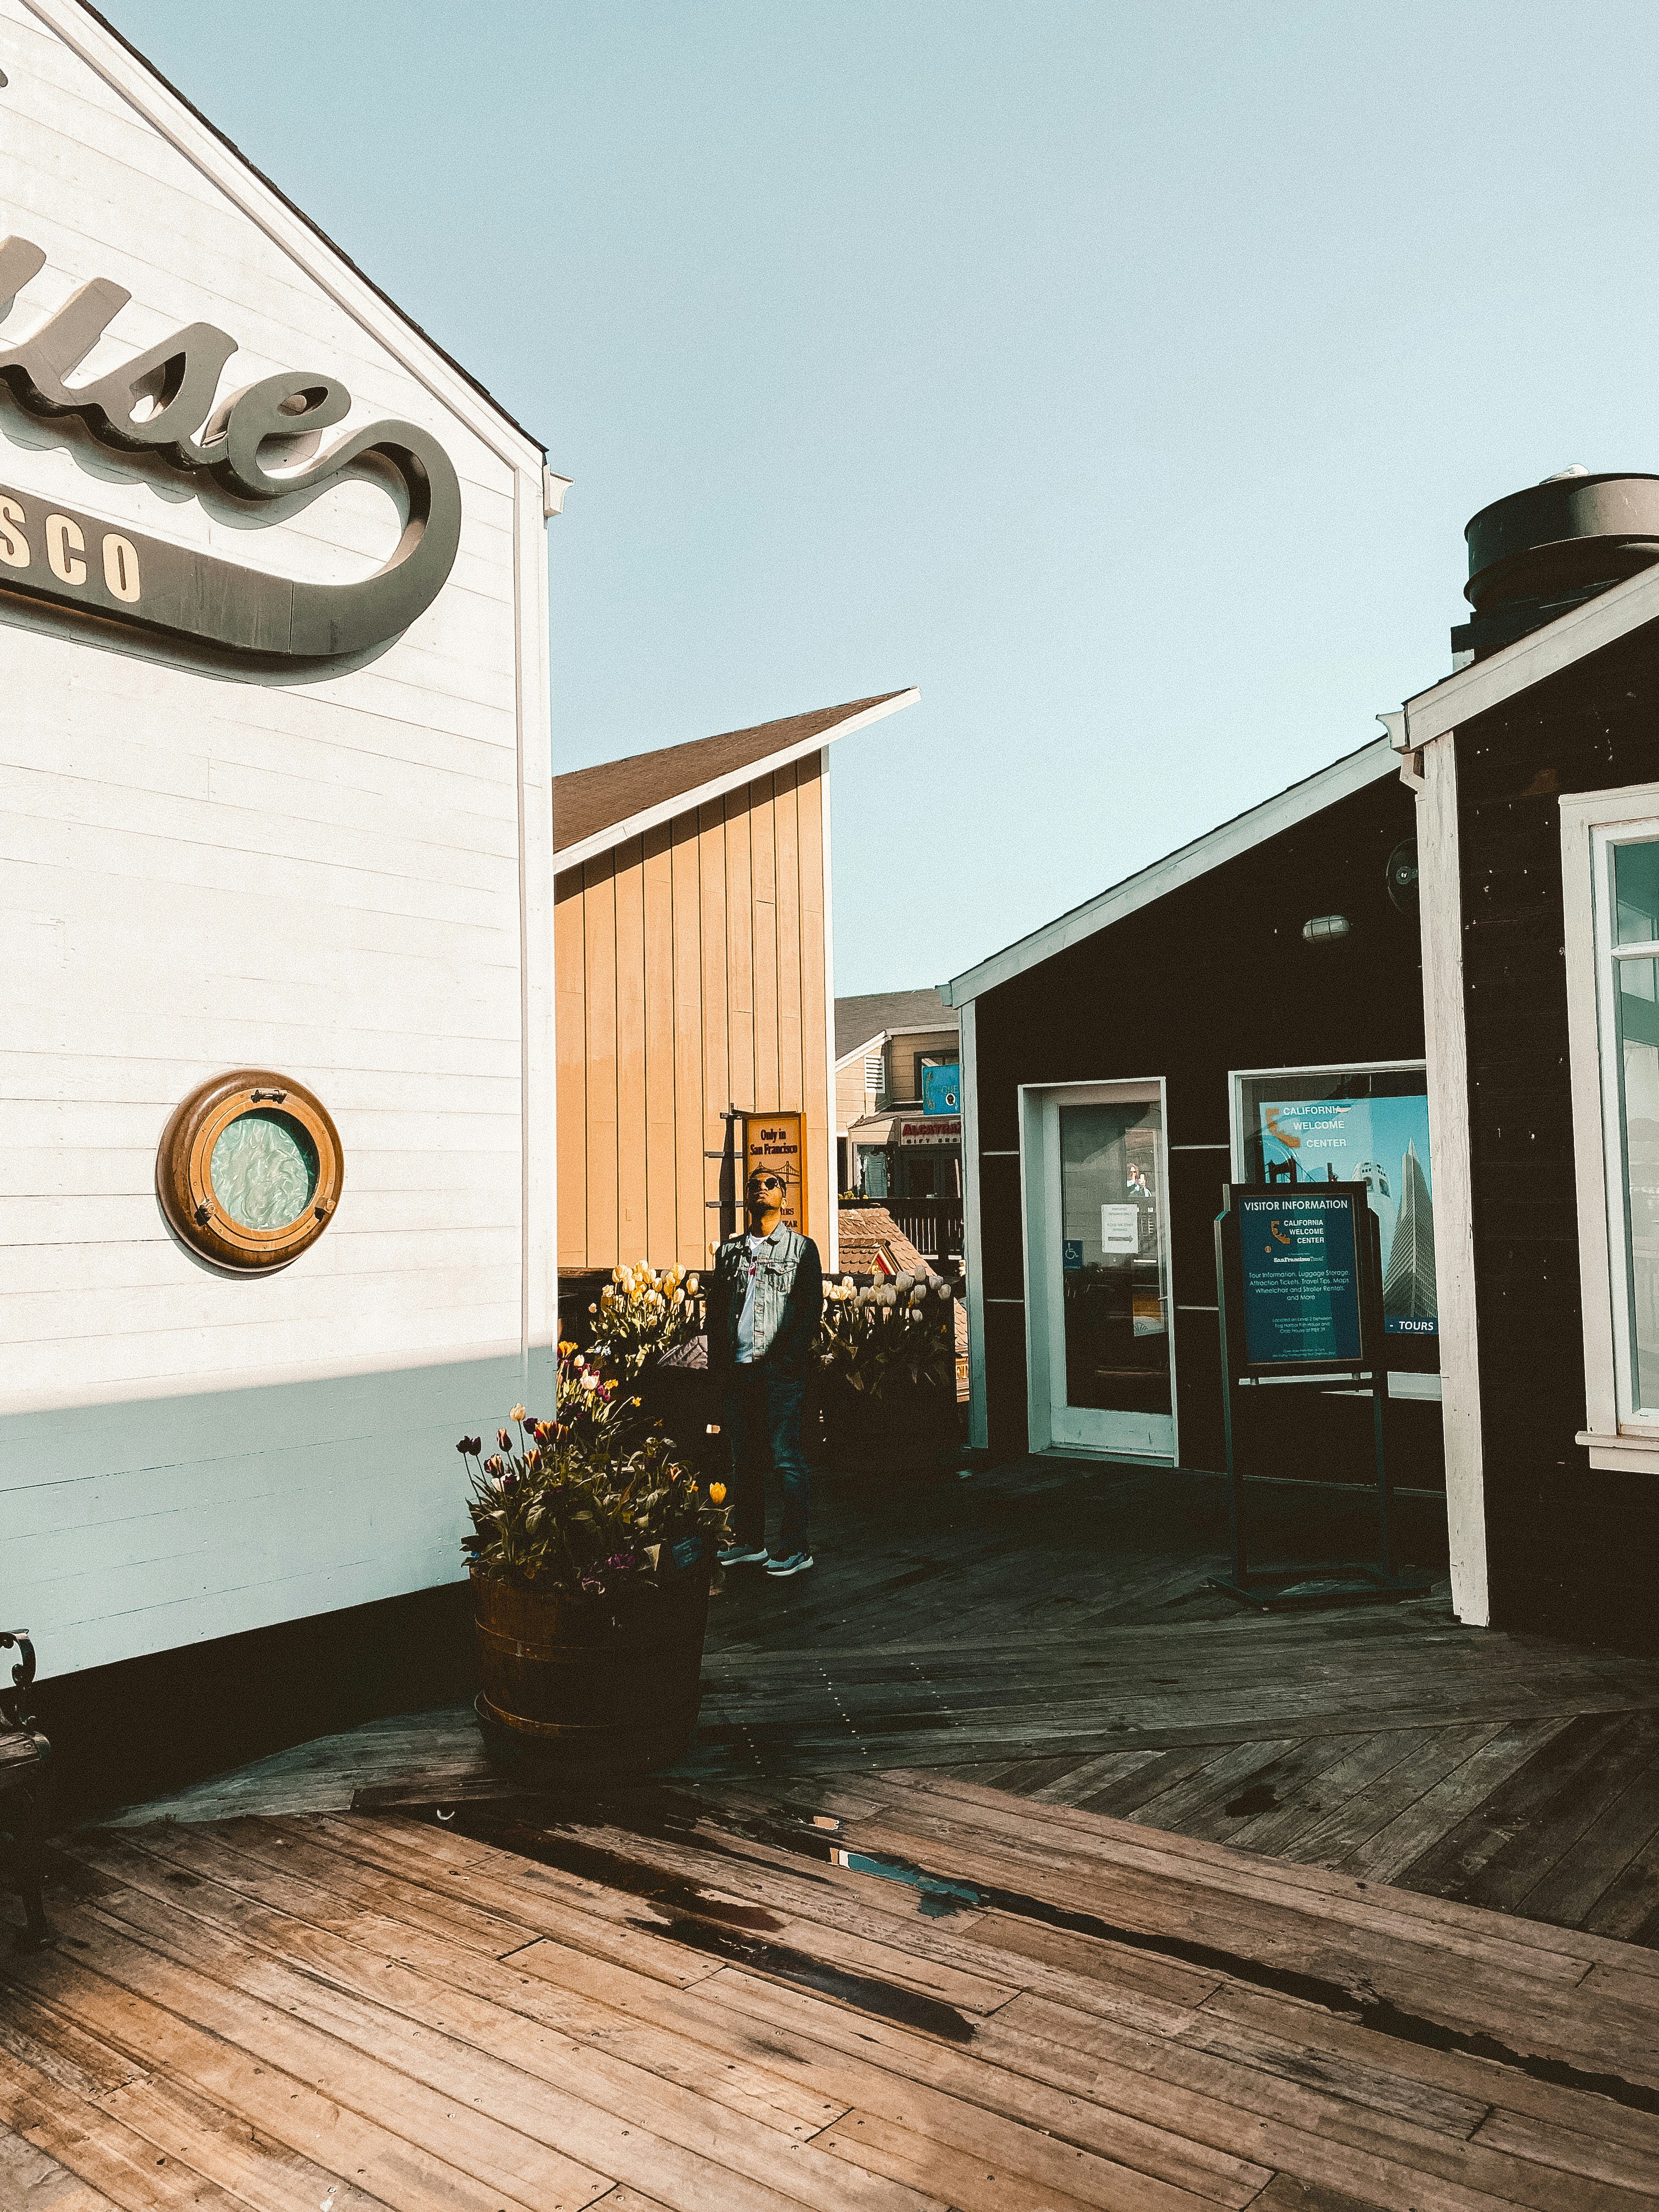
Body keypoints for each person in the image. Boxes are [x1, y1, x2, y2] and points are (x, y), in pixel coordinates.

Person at [706, 1166, 824, 1577]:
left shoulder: (801, 1250)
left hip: (778, 1371)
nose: (760, 1188)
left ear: (783, 1195)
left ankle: (795, 1547)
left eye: (770, 1182)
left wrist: (788, 1360)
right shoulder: (729, 1253)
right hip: (739, 1370)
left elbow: (811, 1311)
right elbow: (715, 1313)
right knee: (745, 1460)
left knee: (785, 1458)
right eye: (754, 1184)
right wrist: (719, 1368)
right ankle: (750, 1542)